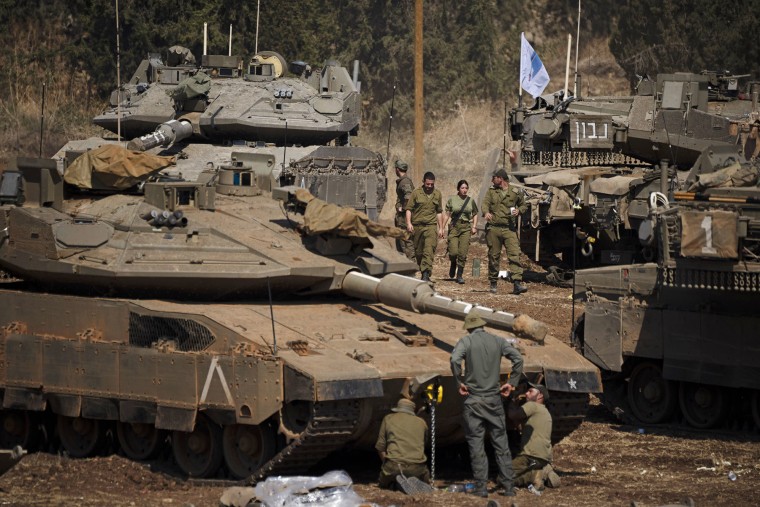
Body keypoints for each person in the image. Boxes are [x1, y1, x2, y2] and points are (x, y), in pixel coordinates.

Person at [450, 311, 524, 498]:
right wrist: (512, 383)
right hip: (494, 400)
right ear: (483, 325)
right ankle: (508, 487)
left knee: (476, 444)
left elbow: (454, 359)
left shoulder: (466, 342)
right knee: (501, 443)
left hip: (473, 400)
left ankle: (481, 487)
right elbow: (518, 359)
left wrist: (459, 382)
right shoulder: (498, 341)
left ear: (469, 328)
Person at [481, 153, 528, 295]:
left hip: (509, 228)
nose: (492, 180)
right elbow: (485, 204)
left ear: (500, 179)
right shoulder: (491, 191)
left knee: (514, 254)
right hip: (494, 228)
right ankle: (493, 282)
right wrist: (485, 212)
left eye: (494, 178)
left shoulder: (515, 192)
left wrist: (519, 211)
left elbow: (524, 205)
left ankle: (517, 284)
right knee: (494, 256)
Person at [507, 383, 561, 491]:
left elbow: (512, 415)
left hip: (530, 454)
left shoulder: (532, 405)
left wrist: (512, 400)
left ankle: (536, 474)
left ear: (540, 396)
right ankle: (543, 469)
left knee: (503, 476)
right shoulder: (545, 412)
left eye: (530, 391)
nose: (526, 393)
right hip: (544, 456)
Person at [375, 397, 430, 489]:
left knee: (384, 483)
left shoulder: (388, 418)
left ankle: (395, 484)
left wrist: (388, 463)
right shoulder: (422, 422)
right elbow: (423, 444)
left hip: (393, 466)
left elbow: (380, 447)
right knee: (424, 477)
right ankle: (411, 481)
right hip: (417, 468)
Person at [405, 171, 443, 281]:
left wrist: (441, 228)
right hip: (417, 227)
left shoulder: (437, 194)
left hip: (431, 226)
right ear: (423, 182)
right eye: (428, 184)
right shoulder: (416, 193)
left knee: (429, 249)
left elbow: (439, 212)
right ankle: (423, 269)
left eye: (432, 184)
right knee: (419, 252)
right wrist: (409, 223)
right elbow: (409, 209)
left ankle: (426, 274)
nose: (430, 186)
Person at [444, 179, 478, 284]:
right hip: (454, 227)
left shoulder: (470, 200)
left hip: (466, 227)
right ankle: (453, 262)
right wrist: (442, 227)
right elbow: (447, 214)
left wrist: (474, 226)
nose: (464, 190)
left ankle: (460, 275)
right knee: (453, 252)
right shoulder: (452, 200)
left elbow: (475, 213)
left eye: (466, 188)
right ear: (458, 189)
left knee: (463, 253)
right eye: (462, 188)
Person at [393, 160, 415, 260]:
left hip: (404, 218)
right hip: (401, 218)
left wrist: (404, 208)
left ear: (397, 169)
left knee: (406, 241)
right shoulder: (402, 181)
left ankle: (411, 263)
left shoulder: (405, 182)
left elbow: (409, 196)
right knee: (401, 241)